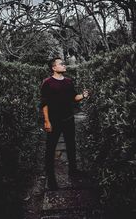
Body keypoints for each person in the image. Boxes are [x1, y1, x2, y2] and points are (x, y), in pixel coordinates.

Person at [40, 57, 89, 190]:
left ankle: (73, 170)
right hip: (54, 121)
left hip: (68, 119)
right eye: (61, 64)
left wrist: (83, 96)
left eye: (64, 63)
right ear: (54, 68)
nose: (64, 65)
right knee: (50, 149)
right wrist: (47, 121)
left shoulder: (68, 82)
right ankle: (51, 178)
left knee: (71, 145)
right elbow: (44, 104)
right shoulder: (47, 83)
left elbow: (74, 97)